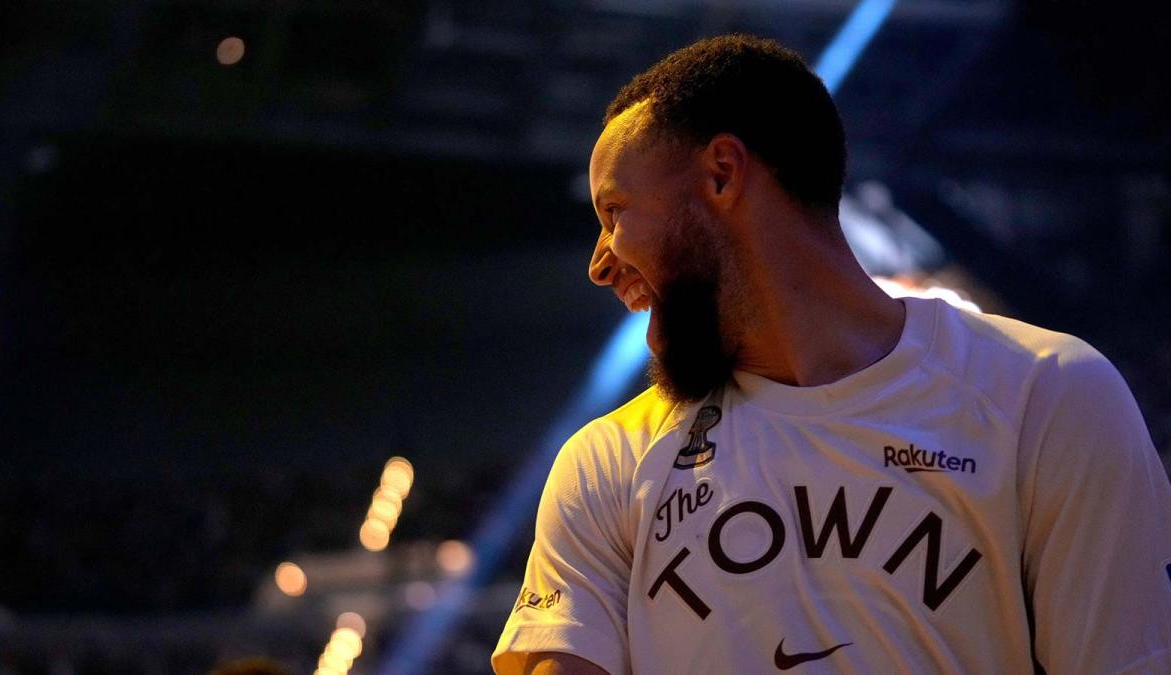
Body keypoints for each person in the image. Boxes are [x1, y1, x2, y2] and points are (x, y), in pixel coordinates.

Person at [491, 35, 1171, 674]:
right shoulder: (606, 461)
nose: (599, 264)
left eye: (614, 213)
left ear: (723, 174)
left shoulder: (1046, 395)